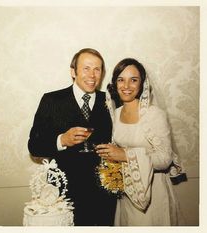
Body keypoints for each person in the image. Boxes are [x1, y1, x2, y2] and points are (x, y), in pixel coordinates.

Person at [28, 48, 117, 226]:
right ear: (73, 71)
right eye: (86, 68)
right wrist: (62, 140)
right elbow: (34, 146)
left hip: (103, 195)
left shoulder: (111, 100)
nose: (92, 75)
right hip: (63, 195)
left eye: (97, 69)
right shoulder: (51, 100)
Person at [96, 58, 185, 226]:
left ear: (142, 84)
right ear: (114, 84)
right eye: (121, 80)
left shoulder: (154, 115)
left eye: (133, 80)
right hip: (127, 193)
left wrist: (124, 155)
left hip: (153, 193)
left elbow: (165, 159)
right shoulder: (114, 114)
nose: (127, 86)